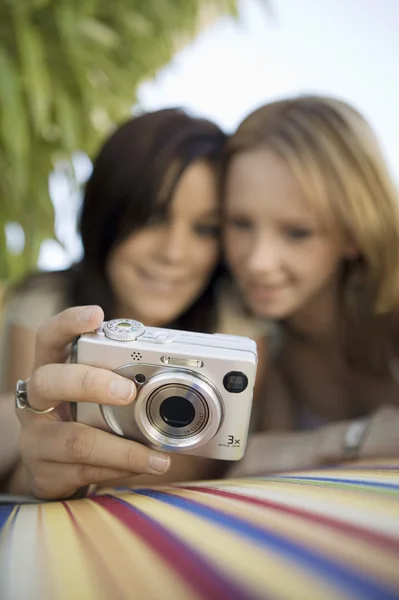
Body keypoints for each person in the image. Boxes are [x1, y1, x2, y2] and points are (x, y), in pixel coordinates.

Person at [0, 108, 266, 498]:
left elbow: (213, 459)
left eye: (204, 229)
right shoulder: (45, 305)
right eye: (152, 217)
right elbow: (31, 450)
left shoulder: (240, 323)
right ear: (108, 213)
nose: (174, 253)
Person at [222, 94, 399, 477]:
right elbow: (246, 470)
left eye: (297, 232)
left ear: (355, 232)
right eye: (240, 223)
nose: (257, 262)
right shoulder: (265, 345)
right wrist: (351, 440)